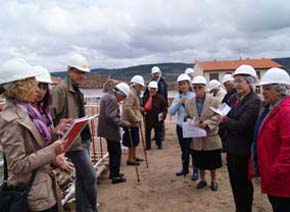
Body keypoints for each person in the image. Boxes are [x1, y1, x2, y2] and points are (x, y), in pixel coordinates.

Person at [0, 58, 67, 212]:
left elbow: (35, 143)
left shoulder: (29, 111)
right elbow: (17, 165)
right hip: (34, 193)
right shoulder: (10, 119)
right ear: (19, 88)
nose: (37, 90)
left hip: (43, 186)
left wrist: (53, 138)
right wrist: (52, 151)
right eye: (33, 85)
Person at [50, 54, 97, 212]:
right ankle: (91, 208)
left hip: (82, 138)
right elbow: (50, 117)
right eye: (78, 72)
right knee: (90, 176)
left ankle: (83, 209)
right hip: (73, 143)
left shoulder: (76, 90)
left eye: (84, 73)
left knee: (83, 179)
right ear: (69, 71)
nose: (82, 75)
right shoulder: (61, 90)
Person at [221, 65, 260, 212]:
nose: (236, 85)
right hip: (232, 148)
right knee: (234, 184)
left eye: (239, 81)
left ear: (249, 82)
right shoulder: (234, 98)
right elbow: (224, 112)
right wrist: (226, 120)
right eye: (235, 81)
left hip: (243, 151)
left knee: (243, 185)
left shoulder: (254, 102)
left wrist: (225, 120)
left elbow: (241, 126)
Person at [254, 68, 290, 212]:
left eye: (267, 88)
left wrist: (274, 171)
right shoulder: (272, 108)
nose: (263, 92)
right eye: (263, 88)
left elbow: (288, 148)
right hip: (275, 178)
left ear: (280, 90)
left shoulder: (286, 112)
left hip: (283, 181)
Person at [185, 76, 222, 191]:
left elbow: (219, 116)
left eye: (199, 87)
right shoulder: (189, 103)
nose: (197, 89)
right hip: (197, 137)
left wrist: (208, 123)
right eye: (194, 87)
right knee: (199, 161)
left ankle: (213, 180)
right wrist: (191, 122)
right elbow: (187, 117)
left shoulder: (215, 101)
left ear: (205, 88)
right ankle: (202, 179)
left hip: (210, 136)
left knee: (212, 162)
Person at [97, 82, 131, 184]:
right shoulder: (112, 99)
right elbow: (111, 116)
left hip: (106, 128)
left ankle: (114, 172)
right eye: (123, 97)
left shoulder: (108, 96)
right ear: (120, 93)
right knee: (116, 152)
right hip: (110, 129)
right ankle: (115, 175)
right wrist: (123, 123)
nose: (123, 99)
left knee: (113, 151)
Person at [168, 74, 198, 180]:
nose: (182, 86)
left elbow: (197, 111)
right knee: (183, 149)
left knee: (193, 149)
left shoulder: (194, 96)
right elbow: (171, 112)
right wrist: (178, 103)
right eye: (180, 84)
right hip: (180, 126)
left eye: (184, 83)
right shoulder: (177, 97)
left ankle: (195, 170)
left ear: (188, 84)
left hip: (191, 126)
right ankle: (185, 168)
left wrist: (187, 103)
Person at [122, 75, 145, 166]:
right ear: (136, 85)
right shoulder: (131, 94)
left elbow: (133, 106)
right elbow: (127, 108)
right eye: (141, 86)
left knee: (134, 140)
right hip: (130, 122)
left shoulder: (133, 93)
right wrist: (135, 119)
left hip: (133, 121)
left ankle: (133, 156)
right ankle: (130, 158)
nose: (141, 89)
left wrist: (139, 108)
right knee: (131, 140)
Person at [143, 81, 167, 150]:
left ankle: (159, 144)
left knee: (158, 132)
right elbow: (141, 106)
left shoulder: (161, 98)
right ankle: (148, 146)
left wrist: (163, 114)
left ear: (156, 90)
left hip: (157, 118)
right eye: (151, 88)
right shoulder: (145, 98)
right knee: (147, 133)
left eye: (154, 89)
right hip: (148, 118)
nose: (152, 90)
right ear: (148, 89)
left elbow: (164, 107)